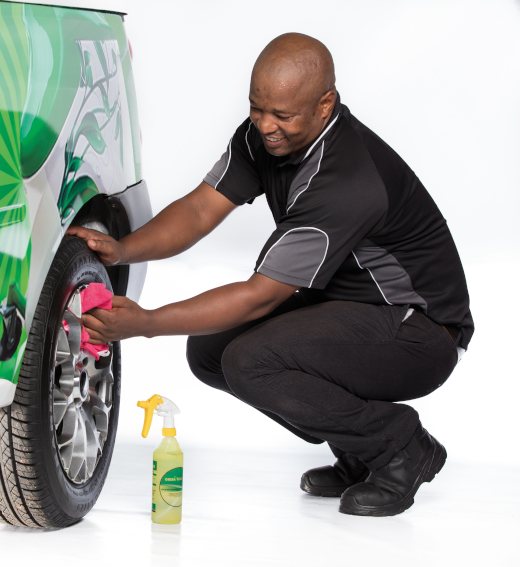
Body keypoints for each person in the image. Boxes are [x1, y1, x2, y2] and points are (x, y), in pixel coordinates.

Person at [67, 32, 473, 517]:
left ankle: (400, 446)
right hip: (353, 307)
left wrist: (147, 322)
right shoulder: (263, 137)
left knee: (250, 361)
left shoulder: (345, 182)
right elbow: (200, 209)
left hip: (421, 333)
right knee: (211, 351)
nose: (266, 126)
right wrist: (122, 249)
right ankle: (358, 450)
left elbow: (260, 295)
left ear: (326, 104)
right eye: (258, 108)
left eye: (283, 115)